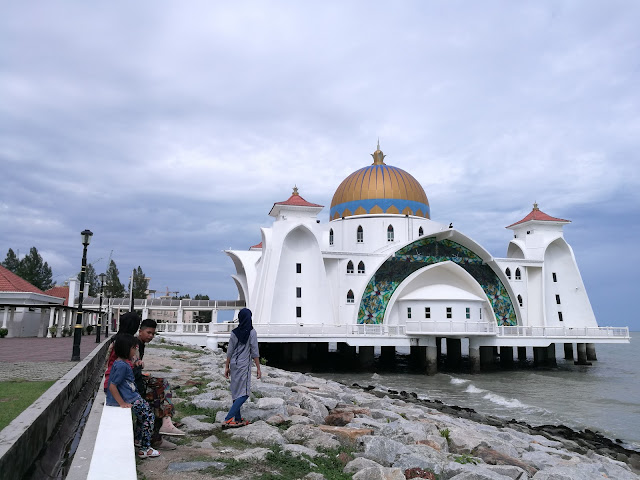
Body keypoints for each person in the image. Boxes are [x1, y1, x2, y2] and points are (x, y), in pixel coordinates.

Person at [106, 333, 159, 459]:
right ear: (126, 349)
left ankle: (139, 440)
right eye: (133, 348)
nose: (135, 351)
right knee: (149, 417)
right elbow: (112, 385)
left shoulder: (123, 363)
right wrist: (121, 403)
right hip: (129, 398)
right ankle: (145, 449)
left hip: (132, 396)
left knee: (145, 416)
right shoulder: (121, 366)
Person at [134, 319, 185, 442]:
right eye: (148, 332)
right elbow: (134, 365)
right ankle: (164, 424)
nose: (151, 336)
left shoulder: (140, 343)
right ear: (140, 331)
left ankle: (164, 425)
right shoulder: (136, 344)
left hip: (137, 380)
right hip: (135, 384)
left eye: (153, 333)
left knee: (161, 388)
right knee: (160, 390)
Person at [223, 308, 261, 428]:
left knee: (236, 392)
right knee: (244, 394)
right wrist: (259, 368)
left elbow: (229, 351)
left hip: (234, 364)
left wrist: (226, 366)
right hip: (244, 365)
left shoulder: (234, 332)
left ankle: (238, 419)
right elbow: (254, 352)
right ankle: (228, 418)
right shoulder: (251, 332)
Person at [103, 312, 141, 392]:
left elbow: (108, 362)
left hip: (112, 382)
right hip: (120, 386)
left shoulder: (116, 341)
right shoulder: (128, 344)